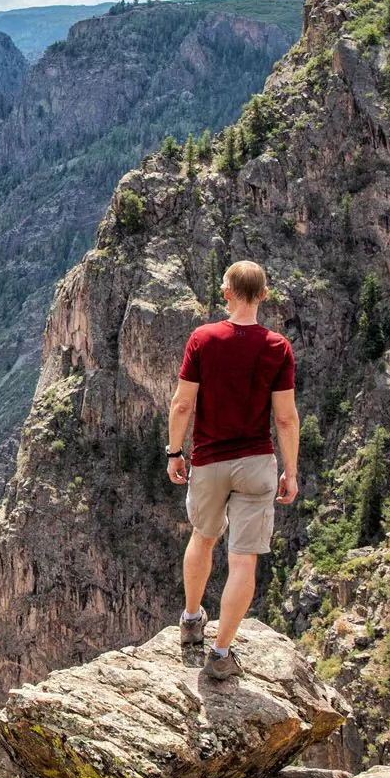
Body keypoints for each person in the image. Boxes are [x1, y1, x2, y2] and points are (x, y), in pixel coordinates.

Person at [165, 260, 300, 680]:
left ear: (226, 292)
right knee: (243, 562)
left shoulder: (203, 340)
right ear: (263, 295)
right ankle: (221, 653)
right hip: (257, 462)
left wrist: (174, 452)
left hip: (208, 460)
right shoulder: (277, 347)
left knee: (203, 538)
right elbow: (286, 418)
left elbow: (182, 404)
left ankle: (191, 620)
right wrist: (290, 472)